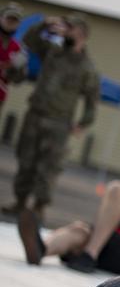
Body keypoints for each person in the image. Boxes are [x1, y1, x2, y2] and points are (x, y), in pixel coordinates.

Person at [2, 12, 99, 219]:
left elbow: (92, 101)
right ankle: (19, 202)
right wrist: (44, 25)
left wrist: (83, 123)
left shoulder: (87, 68)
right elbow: (28, 41)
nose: (64, 30)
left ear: (81, 34)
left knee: (49, 167)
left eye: (69, 27)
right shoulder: (53, 52)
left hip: (59, 123)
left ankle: (38, 208)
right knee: (25, 158)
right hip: (35, 114)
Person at [17, 179, 120, 277]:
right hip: (106, 254)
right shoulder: (117, 227)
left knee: (117, 189)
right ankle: (41, 249)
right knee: (79, 230)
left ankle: (89, 254)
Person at [0, 2, 26, 118]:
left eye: (15, 20)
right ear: (1, 18)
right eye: (8, 18)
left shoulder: (18, 48)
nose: (11, 22)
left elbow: (17, 80)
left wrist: (15, 69)